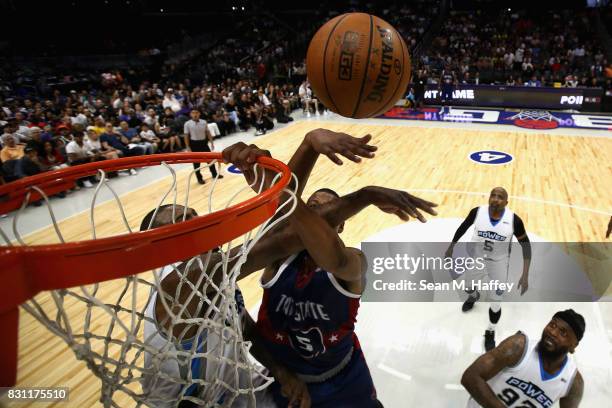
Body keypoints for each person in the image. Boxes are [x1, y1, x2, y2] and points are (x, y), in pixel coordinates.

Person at [251, 128, 438, 407]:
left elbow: (331, 257)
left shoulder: (353, 262)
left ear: (340, 225)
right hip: (286, 378)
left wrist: (365, 194)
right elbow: (284, 218)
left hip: (342, 378)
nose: (315, 215)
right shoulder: (278, 258)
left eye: (327, 213)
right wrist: (308, 144)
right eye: (311, 207)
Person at [445, 187, 531, 351]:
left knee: (496, 302)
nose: (495, 199)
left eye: (500, 197)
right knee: (468, 287)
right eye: (493, 195)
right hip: (478, 259)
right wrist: (451, 246)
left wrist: (525, 274)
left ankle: (490, 331)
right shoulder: (477, 212)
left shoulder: (514, 220)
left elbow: (526, 247)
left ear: (506, 202)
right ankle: (474, 296)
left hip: (499, 263)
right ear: (489, 198)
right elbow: (463, 227)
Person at [462, 309, 585, 408]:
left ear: (573, 346)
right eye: (552, 325)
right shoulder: (518, 347)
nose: (553, 332)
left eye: (563, 333)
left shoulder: (573, 383)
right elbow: (470, 376)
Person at [183, 108, 222, 184]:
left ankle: (214, 174)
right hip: (194, 144)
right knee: (196, 163)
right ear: (190, 114)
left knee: (210, 159)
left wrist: (211, 142)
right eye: (193, 113)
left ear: (199, 114)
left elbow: (207, 132)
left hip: (204, 143)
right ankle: (199, 178)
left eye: (196, 112)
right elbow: (186, 136)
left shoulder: (204, 122)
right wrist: (187, 146)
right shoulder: (187, 124)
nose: (195, 114)